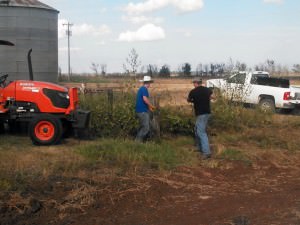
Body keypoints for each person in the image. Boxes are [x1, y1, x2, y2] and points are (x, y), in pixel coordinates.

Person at [187, 78, 214, 159]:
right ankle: (199, 147)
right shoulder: (207, 90)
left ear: (196, 83)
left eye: (193, 83)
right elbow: (212, 97)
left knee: (201, 132)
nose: (193, 84)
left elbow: (188, 100)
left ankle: (206, 152)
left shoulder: (193, 91)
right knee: (196, 129)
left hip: (201, 114)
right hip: (207, 113)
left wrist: (193, 100)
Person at [135, 75, 155, 142]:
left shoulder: (142, 88)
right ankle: (137, 142)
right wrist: (151, 106)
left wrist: (148, 107)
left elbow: (143, 100)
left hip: (140, 111)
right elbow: (145, 99)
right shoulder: (144, 89)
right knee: (146, 128)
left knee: (142, 126)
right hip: (142, 111)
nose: (150, 84)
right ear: (147, 82)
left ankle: (138, 141)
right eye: (149, 83)